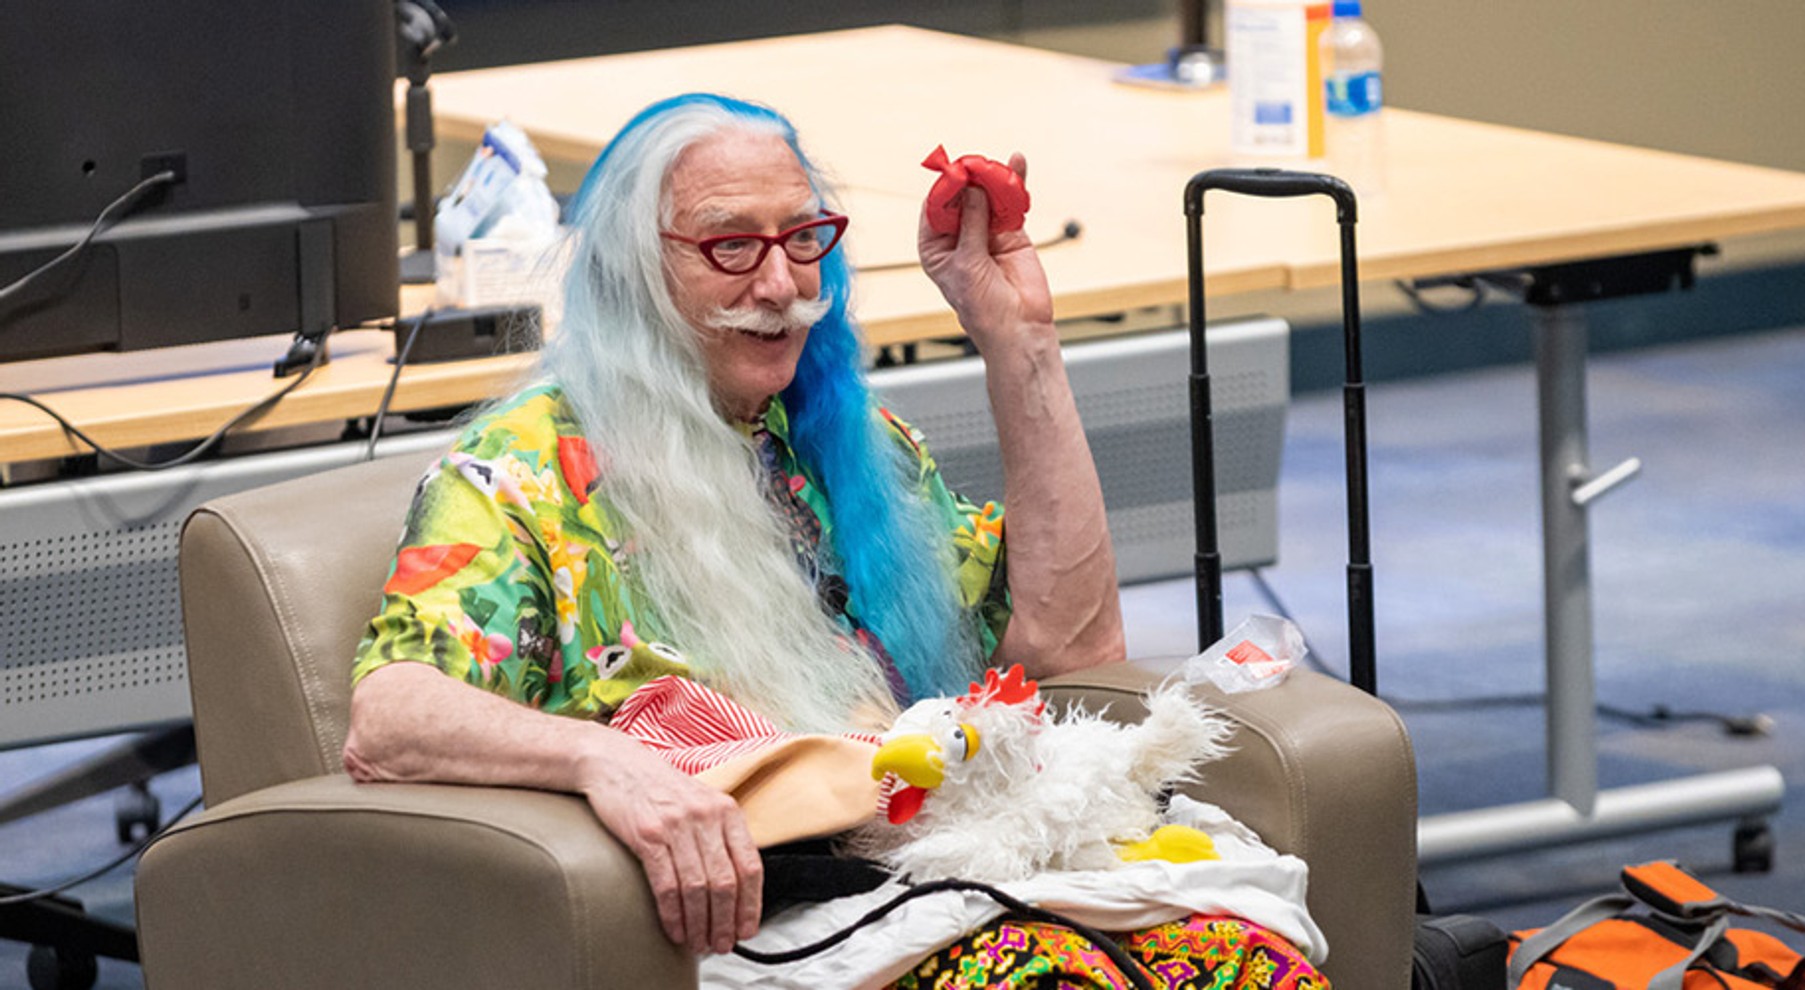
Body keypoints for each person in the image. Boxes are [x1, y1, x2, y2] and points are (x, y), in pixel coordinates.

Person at [344, 93, 1323, 988]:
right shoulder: (519, 474)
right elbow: (390, 714)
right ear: (632, 269)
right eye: (731, 245)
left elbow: (1073, 650)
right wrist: (609, 765)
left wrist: (1020, 339)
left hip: (939, 869)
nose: (781, 283)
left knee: (1245, 964)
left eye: (803, 237)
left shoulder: (847, 443)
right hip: (767, 913)